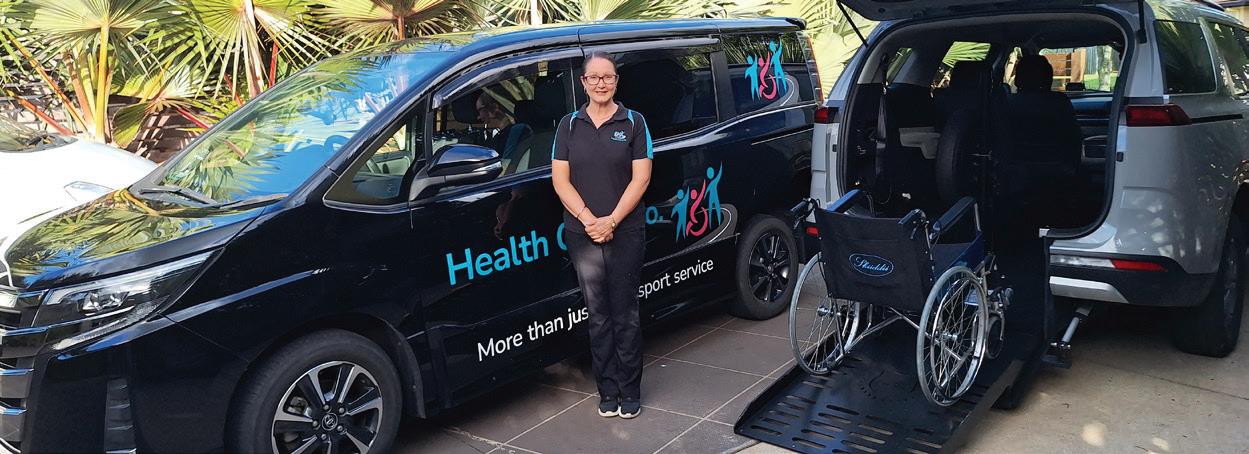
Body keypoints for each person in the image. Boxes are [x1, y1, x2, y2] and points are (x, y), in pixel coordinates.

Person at [551, 52, 653, 419]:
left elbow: (641, 178)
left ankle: (630, 391)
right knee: (597, 314)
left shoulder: (634, 122)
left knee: (625, 313)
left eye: (607, 77)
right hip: (582, 233)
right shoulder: (568, 126)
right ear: (583, 83)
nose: (601, 83)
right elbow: (560, 180)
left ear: (616, 81)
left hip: (626, 230)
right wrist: (589, 219)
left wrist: (611, 221)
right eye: (593, 77)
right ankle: (607, 390)